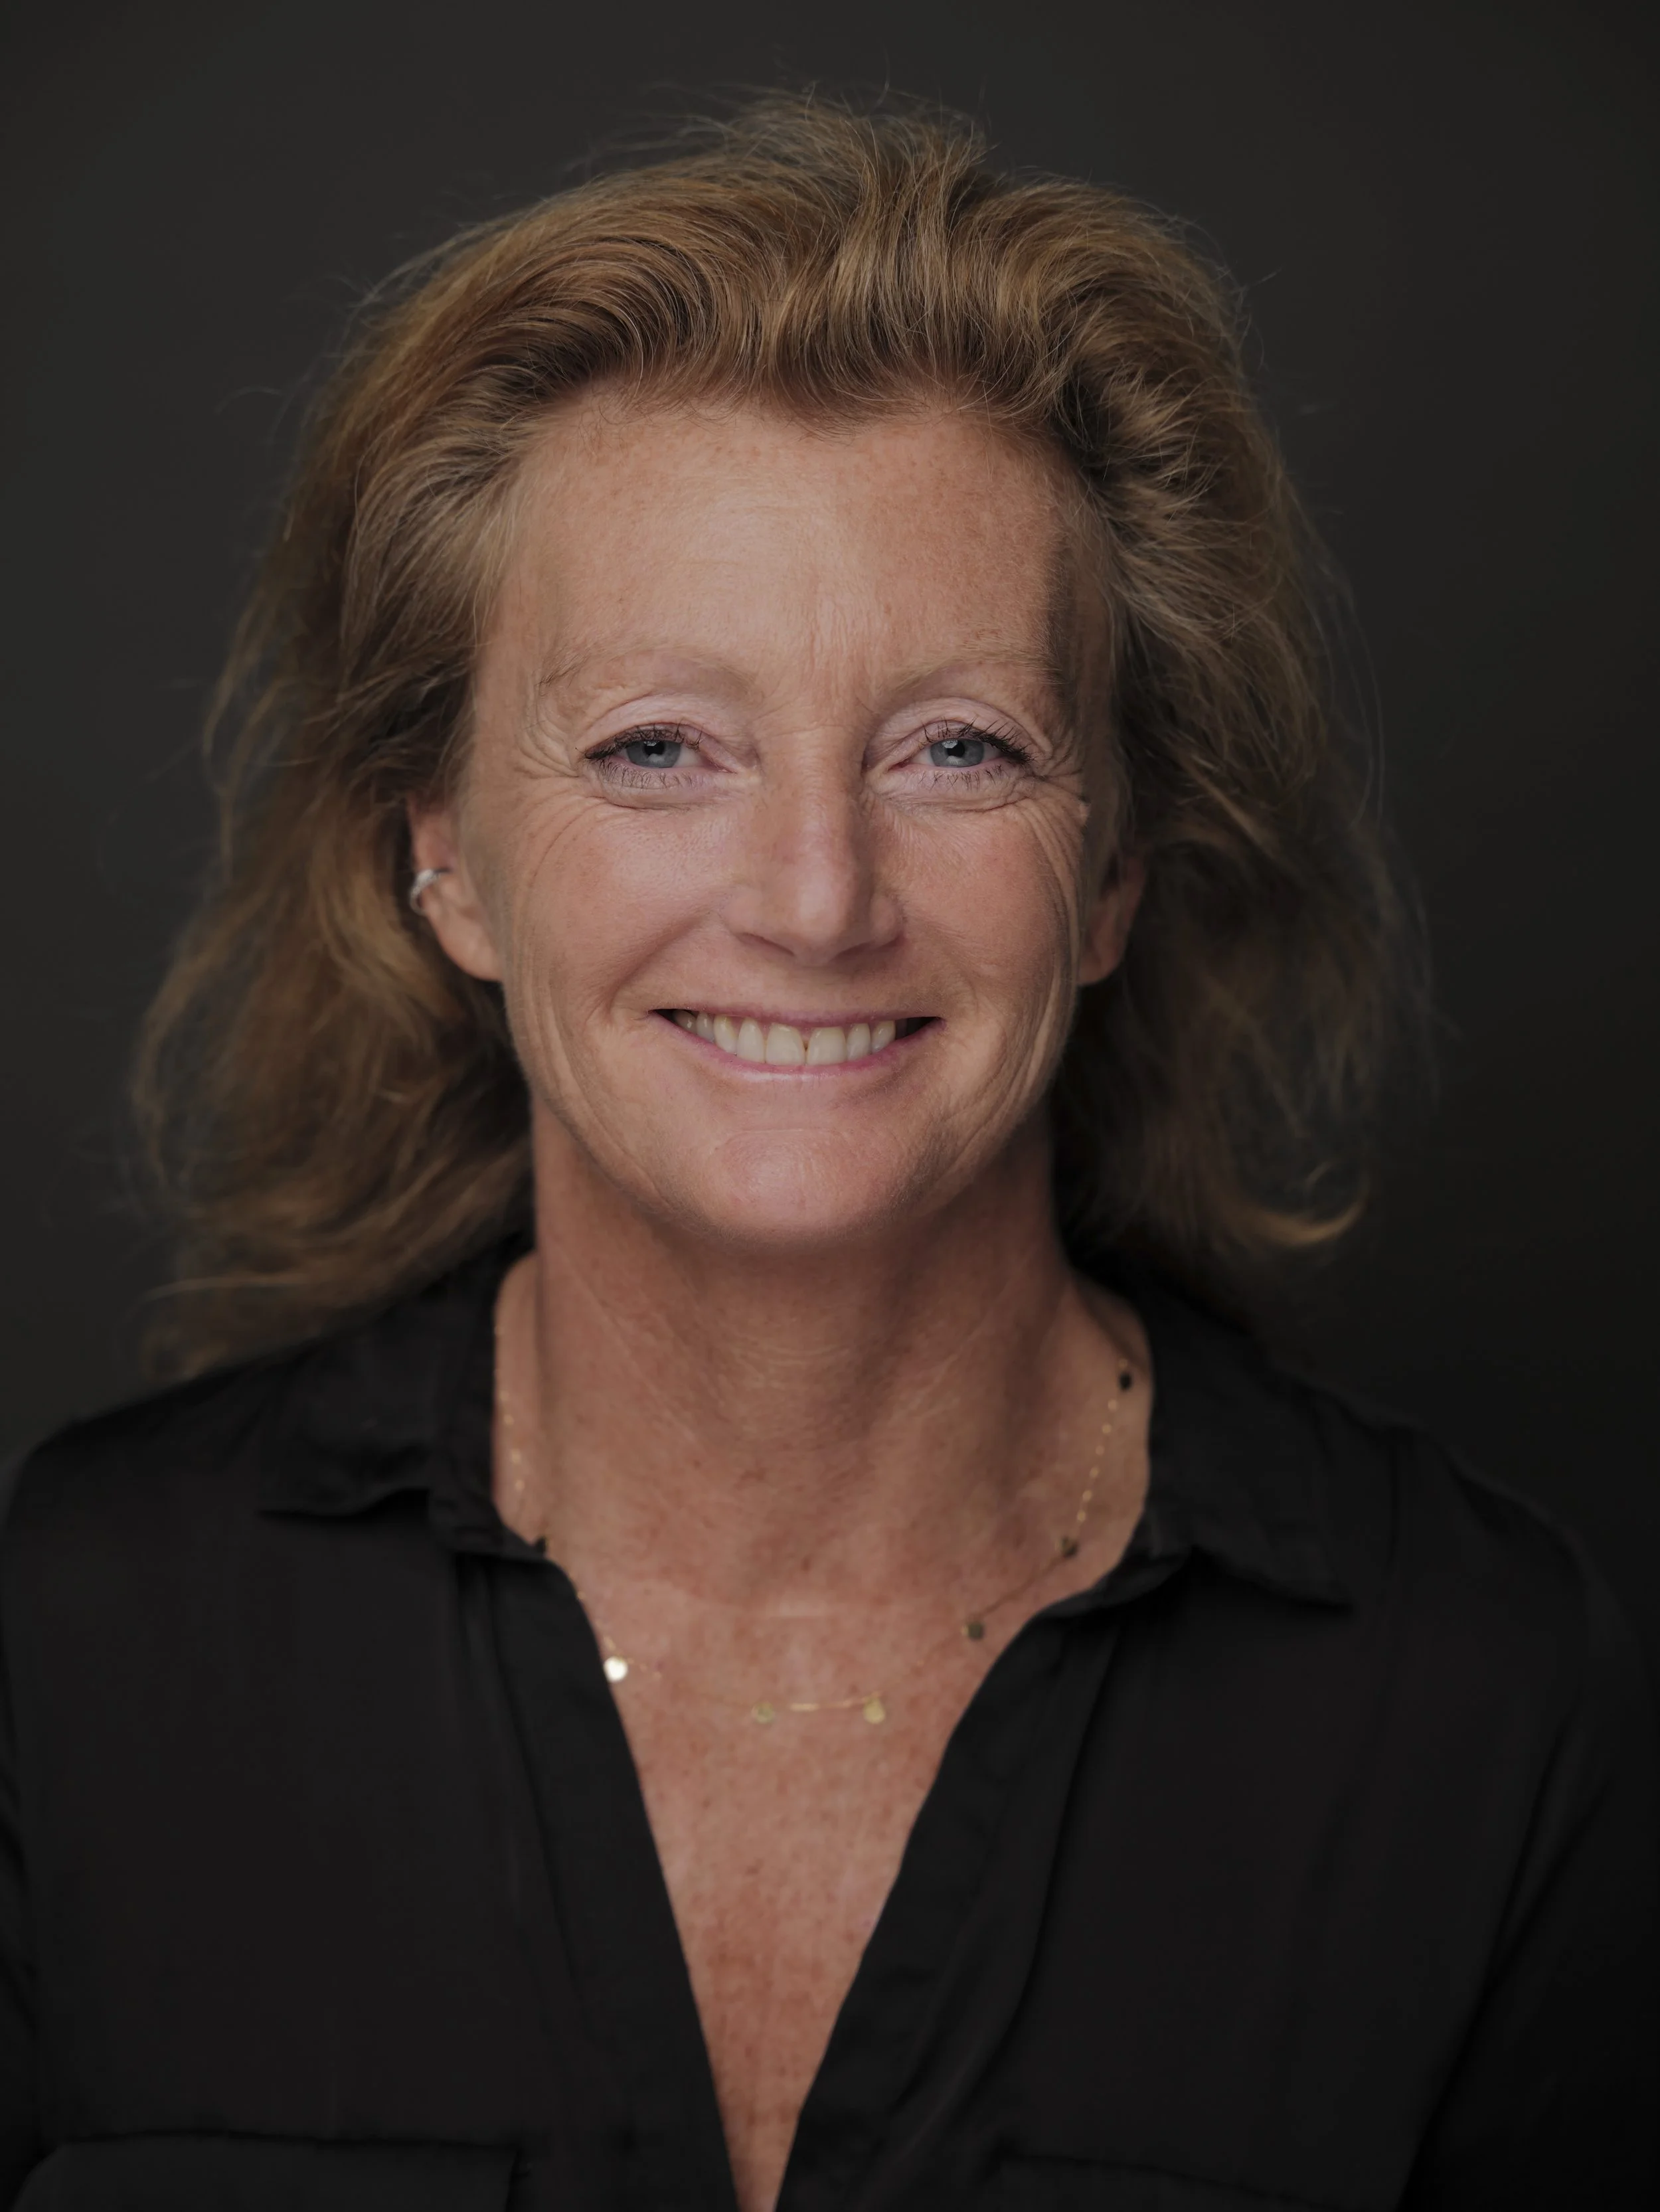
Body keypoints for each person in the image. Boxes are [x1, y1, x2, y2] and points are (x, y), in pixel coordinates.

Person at [1, 96, 1653, 2212]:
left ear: (1116, 867)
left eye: (956, 747)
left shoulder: (1481, 1698)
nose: (811, 896)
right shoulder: (83, 1638)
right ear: (445, 861)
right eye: (655, 748)